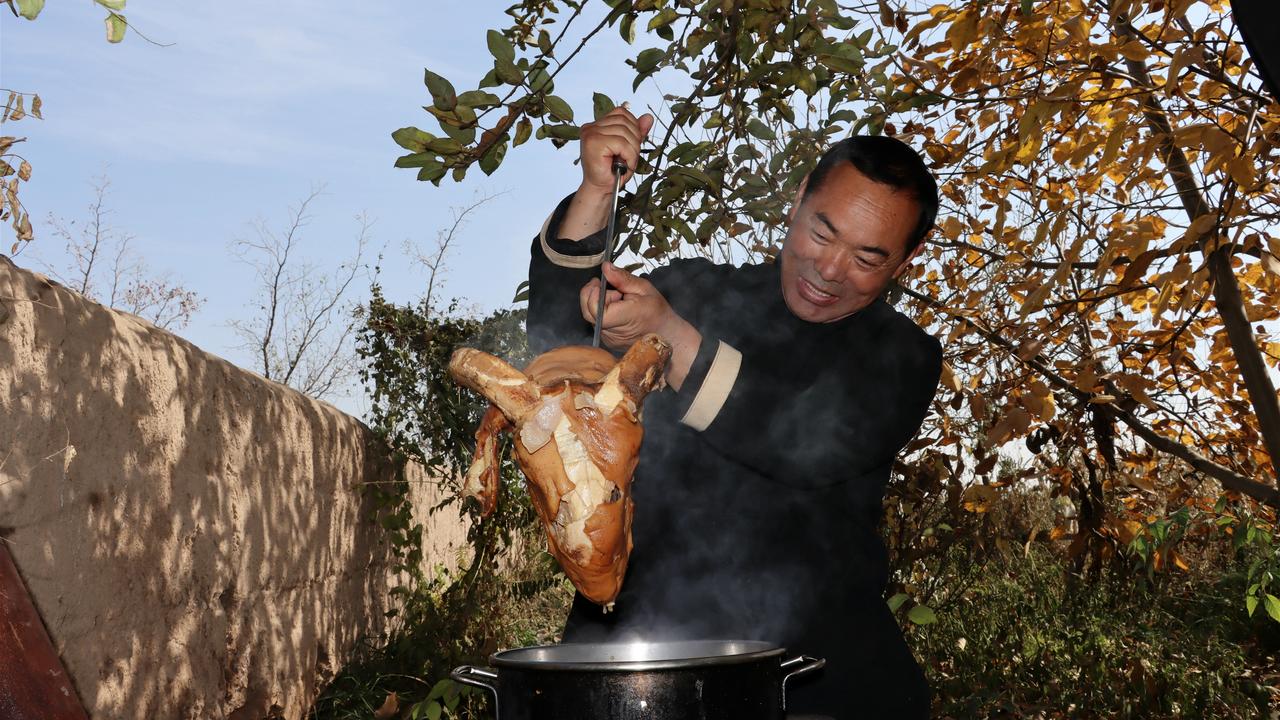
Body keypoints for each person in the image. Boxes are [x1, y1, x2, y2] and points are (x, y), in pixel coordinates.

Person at [524, 105, 942, 718]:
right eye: (822, 233)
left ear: (905, 260)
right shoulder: (695, 290)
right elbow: (559, 349)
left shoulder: (902, 358)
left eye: (867, 257)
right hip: (636, 667)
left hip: (818, 682)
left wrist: (670, 335)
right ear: (797, 200)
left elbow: (800, 441)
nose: (829, 270)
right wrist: (594, 193)